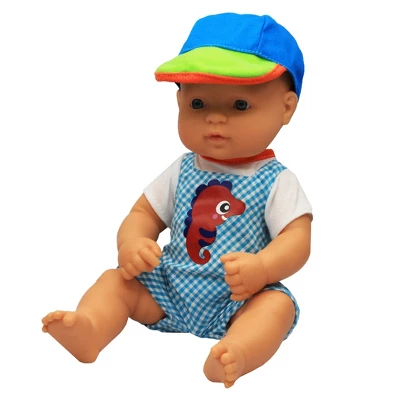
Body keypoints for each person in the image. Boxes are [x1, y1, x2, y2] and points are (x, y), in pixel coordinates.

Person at [42, 12, 312, 388]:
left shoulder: (277, 181)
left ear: (286, 107)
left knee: (276, 307)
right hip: (168, 290)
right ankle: (91, 328)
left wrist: (264, 268)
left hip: (240, 297)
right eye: (198, 104)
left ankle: (236, 351)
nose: (214, 119)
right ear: (179, 100)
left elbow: (297, 239)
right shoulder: (183, 169)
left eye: (239, 105)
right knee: (116, 280)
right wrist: (133, 243)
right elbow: (143, 213)